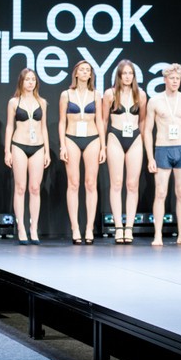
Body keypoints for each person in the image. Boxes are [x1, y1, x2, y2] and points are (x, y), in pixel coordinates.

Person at [143, 63, 181, 246]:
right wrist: (150, 157)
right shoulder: (155, 101)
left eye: (178, 78)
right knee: (160, 193)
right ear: (165, 79)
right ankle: (158, 235)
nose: (175, 81)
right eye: (172, 78)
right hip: (163, 148)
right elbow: (147, 130)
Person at [58, 60, 106, 245]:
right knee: (73, 183)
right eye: (82, 70)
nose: (85, 72)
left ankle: (89, 228)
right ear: (76, 73)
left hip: (92, 138)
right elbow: (62, 121)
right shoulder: (66, 94)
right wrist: (62, 145)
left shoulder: (96, 94)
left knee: (91, 183)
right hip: (71, 138)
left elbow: (100, 120)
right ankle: (75, 228)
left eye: (88, 70)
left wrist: (103, 146)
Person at [102, 59, 148, 244]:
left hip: (135, 138)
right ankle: (118, 227)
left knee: (132, 184)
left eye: (131, 73)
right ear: (119, 76)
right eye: (124, 73)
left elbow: (143, 120)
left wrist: (143, 142)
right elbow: (104, 120)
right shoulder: (110, 94)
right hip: (115, 137)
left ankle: (129, 227)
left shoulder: (141, 95)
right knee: (116, 183)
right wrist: (102, 145)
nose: (128, 77)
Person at [4, 68, 51, 245]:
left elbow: (44, 127)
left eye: (33, 79)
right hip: (19, 145)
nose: (30, 82)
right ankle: (21, 227)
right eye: (27, 79)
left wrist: (47, 151)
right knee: (20, 187)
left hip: (38, 146)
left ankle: (33, 228)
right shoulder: (14, 102)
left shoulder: (42, 102)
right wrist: (7, 151)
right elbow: (10, 126)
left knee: (35, 188)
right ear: (21, 82)